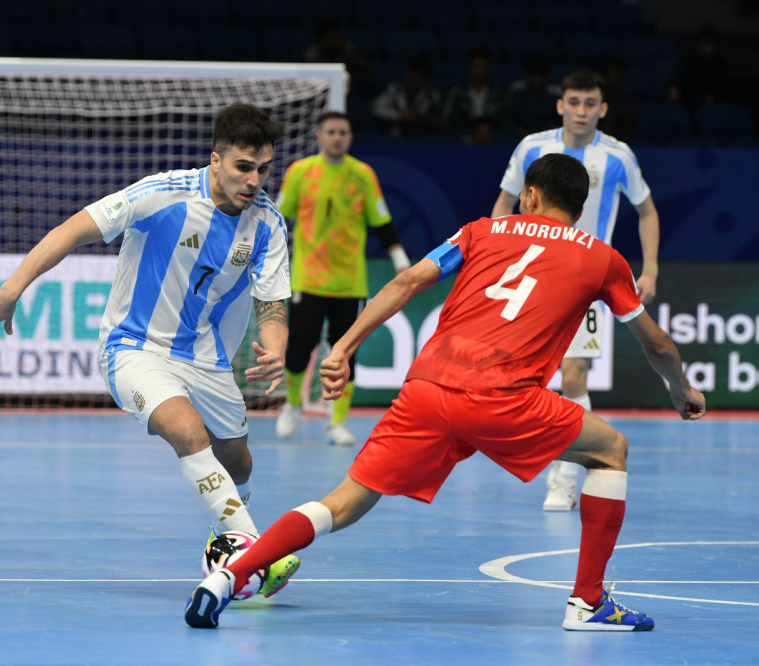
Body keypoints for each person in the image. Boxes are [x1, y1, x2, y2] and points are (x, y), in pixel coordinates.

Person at [184, 153, 706, 631]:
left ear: (529, 196)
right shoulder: (604, 258)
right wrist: (680, 389)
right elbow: (656, 343)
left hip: (428, 388)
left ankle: (226, 579)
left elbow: (409, 281)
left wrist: (341, 347)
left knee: (341, 503)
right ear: (580, 205)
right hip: (505, 398)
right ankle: (588, 604)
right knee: (611, 450)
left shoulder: (481, 231)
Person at [0, 103, 299, 597]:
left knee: (239, 461)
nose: (254, 180)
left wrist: (275, 347)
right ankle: (252, 553)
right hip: (134, 346)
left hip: (207, 358)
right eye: (243, 167)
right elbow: (73, 230)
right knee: (188, 432)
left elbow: (272, 301)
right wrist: (13, 286)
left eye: (263, 169)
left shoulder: (268, 224)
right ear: (216, 160)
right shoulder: (161, 193)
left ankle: (223, 543)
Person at [491, 70, 661, 511]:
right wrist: (501, 254)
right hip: (531, 277)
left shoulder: (618, 156)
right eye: (574, 102)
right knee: (525, 377)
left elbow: (646, 210)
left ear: (603, 109)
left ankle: (563, 479)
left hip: (585, 283)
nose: (581, 111)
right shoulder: (532, 146)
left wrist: (652, 268)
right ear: (560, 105)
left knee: (574, 375)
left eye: (590, 103)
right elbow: (505, 203)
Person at [273, 111, 411, 446]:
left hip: (351, 282)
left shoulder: (362, 174)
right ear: (319, 136)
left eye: (344, 132)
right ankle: (292, 404)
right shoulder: (300, 173)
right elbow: (278, 216)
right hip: (308, 278)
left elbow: (382, 220)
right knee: (299, 348)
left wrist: (400, 258)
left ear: (350, 138)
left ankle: (337, 421)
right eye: (332, 131)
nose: (338, 137)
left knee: (345, 353)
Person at [370, 55, 444, 138]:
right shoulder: (393, 89)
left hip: (424, 138)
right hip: (394, 136)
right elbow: (376, 109)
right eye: (412, 74)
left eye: (419, 75)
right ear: (406, 73)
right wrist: (400, 116)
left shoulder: (432, 94)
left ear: (425, 77)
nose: (415, 78)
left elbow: (440, 120)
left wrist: (422, 119)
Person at [442, 48, 504, 139]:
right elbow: (449, 121)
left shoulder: (497, 94)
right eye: (476, 66)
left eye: (483, 66)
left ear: (488, 68)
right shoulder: (457, 93)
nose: (479, 70)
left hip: (492, 142)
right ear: (469, 67)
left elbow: (504, 122)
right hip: (463, 142)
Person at [501, 56, 561, 139]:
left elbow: (559, 123)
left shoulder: (555, 96)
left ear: (546, 78)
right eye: (533, 76)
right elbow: (507, 119)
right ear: (527, 76)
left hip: (548, 138)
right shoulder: (516, 92)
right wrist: (518, 130)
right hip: (518, 137)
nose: (536, 80)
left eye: (539, 76)